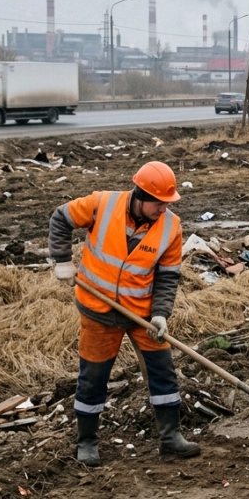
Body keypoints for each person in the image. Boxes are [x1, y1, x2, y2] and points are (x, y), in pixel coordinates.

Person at [49, 161, 201, 466]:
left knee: (163, 371)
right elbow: (60, 217)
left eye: (167, 204)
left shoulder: (171, 227)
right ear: (141, 196)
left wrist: (160, 315)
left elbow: (168, 276)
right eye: (159, 204)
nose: (163, 210)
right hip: (98, 310)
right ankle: (87, 442)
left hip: (142, 314)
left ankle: (170, 437)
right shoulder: (101, 204)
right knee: (93, 377)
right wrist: (62, 260)